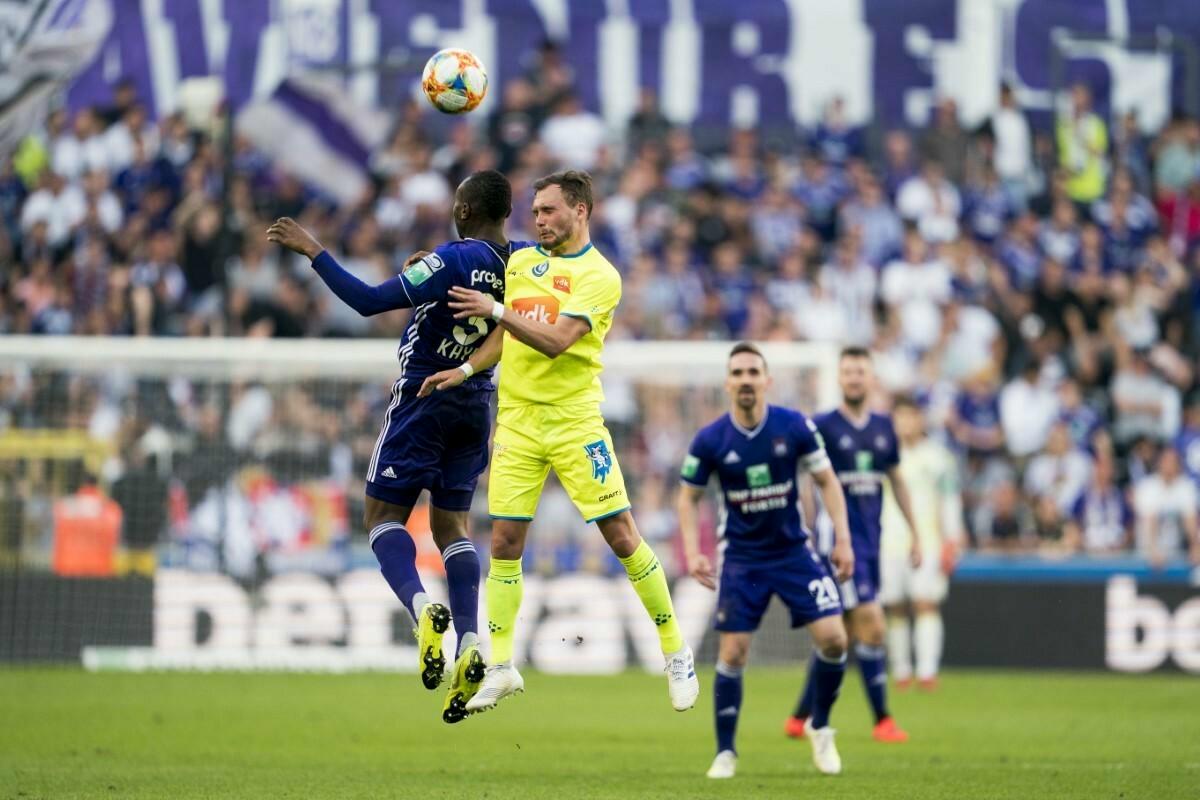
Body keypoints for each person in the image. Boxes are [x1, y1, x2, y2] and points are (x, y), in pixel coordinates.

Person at [420, 170, 700, 714]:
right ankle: (501, 667)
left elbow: (554, 340)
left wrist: (496, 309)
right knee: (504, 542)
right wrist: (468, 366)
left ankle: (675, 650)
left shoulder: (601, 276)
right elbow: (505, 329)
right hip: (518, 421)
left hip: (575, 423)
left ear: (580, 210)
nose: (539, 220)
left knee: (622, 535)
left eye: (549, 210)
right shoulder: (522, 261)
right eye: (535, 211)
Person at [266, 169, 531, 723]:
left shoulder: (452, 258)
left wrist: (313, 250)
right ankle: (470, 641)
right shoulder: (524, 263)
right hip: (476, 401)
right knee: (452, 528)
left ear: (463, 210)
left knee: (382, 518)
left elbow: (367, 301)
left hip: (423, 398)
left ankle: (421, 607)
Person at [678, 342, 855, 778]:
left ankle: (820, 725)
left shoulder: (793, 426)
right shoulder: (710, 439)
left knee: (835, 639)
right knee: (733, 651)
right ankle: (725, 752)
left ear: (767, 381)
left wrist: (843, 539)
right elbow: (688, 497)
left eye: (753, 372)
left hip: (794, 551)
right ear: (727, 383)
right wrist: (693, 551)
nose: (745, 380)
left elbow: (827, 481)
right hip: (742, 559)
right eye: (737, 373)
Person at [785, 347, 922, 744]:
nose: (854, 378)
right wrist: (806, 526)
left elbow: (896, 480)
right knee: (873, 625)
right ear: (839, 378)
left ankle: (799, 716)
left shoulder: (884, 427)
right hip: (838, 542)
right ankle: (883, 720)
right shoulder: (823, 425)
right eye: (848, 372)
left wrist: (915, 532)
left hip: (871, 541)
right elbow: (803, 478)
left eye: (860, 371)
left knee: (841, 633)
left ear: (871, 378)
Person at [879, 397, 962, 691]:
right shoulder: (883, 455)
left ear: (920, 420)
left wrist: (953, 538)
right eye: (899, 417)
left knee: (925, 602)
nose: (905, 423)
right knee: (895, 606)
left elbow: (949, 500)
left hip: (927, 541)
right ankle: (902, 671)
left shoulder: (939, 458)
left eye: (910, 416)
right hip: (888, 541)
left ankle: (927, 671)